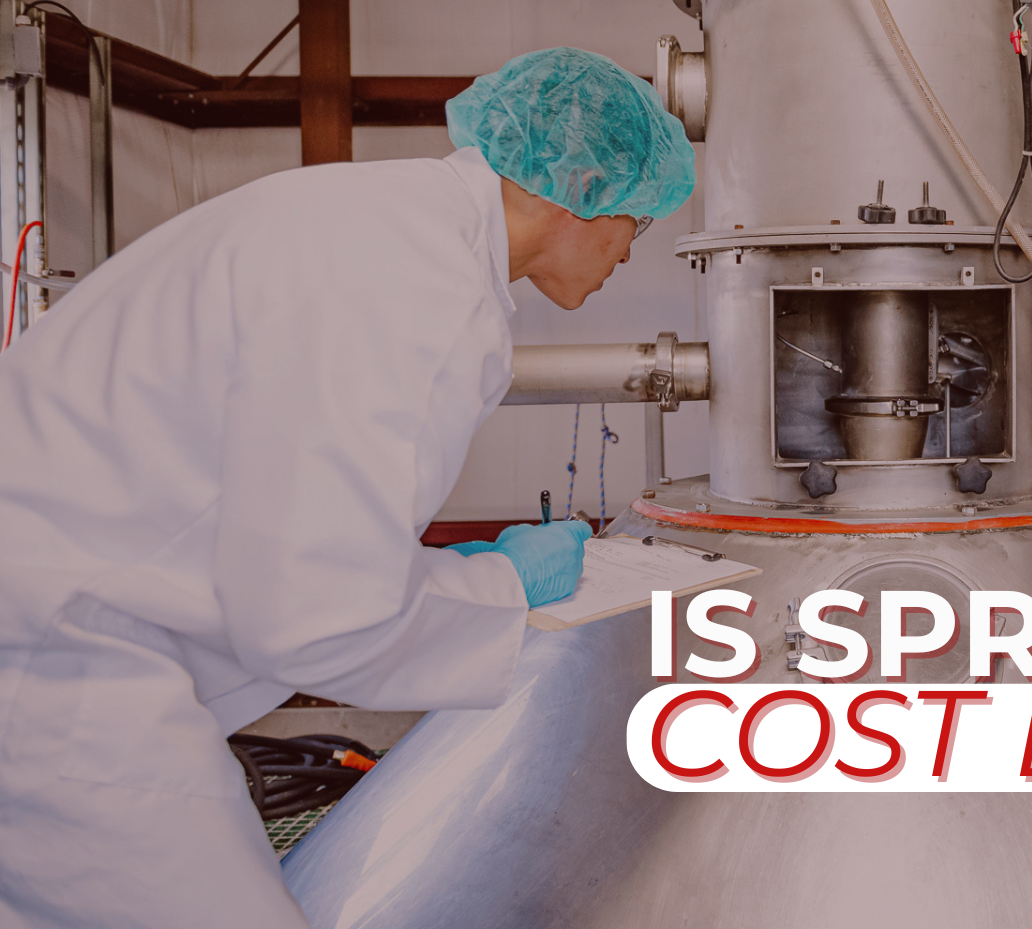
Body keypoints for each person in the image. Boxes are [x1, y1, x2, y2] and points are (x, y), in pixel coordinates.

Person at [0, 46, 695, 928]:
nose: (633, 248)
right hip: (61, 672)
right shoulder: (417, 283)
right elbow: (318, 615)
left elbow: (277, 511)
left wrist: (425, 577)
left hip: (58, 629)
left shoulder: (380, 226)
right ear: (583, 185)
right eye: (636, 217)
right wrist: (502, 589)